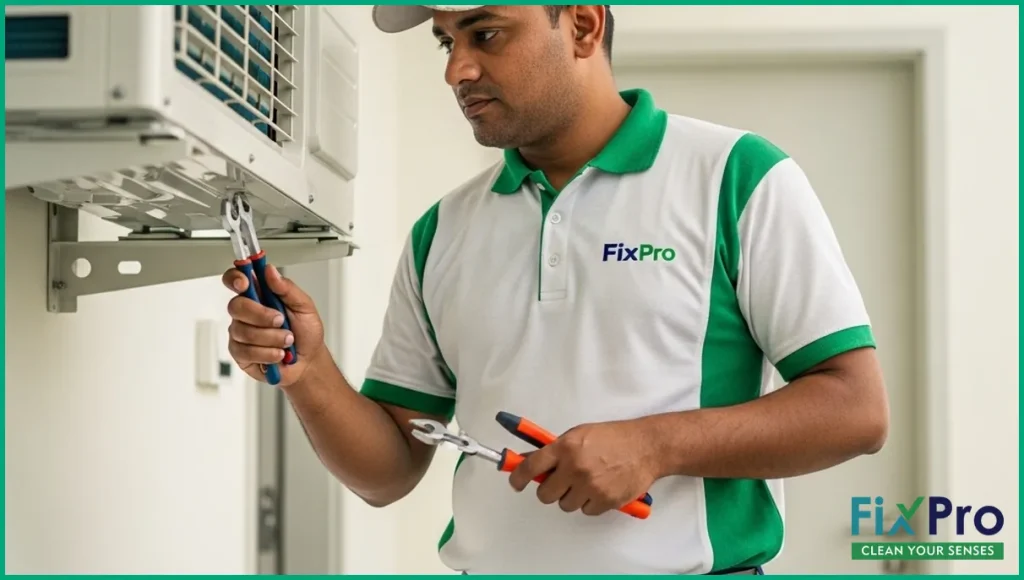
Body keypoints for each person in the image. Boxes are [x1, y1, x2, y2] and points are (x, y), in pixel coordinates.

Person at [223, 5, 890, 575]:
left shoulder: (737, 178)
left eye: (485, 35)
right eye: (446, 42)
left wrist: (655, 446)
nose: (457, 70)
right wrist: (309, 372)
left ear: (582, 25)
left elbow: (856, 409)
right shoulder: (443, 230)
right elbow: (389, 471)